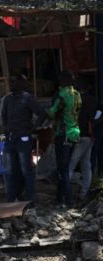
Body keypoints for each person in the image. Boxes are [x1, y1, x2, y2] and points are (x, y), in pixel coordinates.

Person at [0, 75, 48, 205]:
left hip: (23, 138)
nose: (11, 84)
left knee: (26, 169)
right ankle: (11, 199)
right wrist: (6, 129)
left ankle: (30, 199)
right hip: (11, 138)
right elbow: (4, 116)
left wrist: (33, 127)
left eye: (14, 81)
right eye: (10, 81)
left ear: (21, 84)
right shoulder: (7, 99)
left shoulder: (27, 98)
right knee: (10, 170)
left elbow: (42, 113)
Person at [48, 70, 81, 208]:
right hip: (74, 133)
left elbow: (52, 113)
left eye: (60, 79)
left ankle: (69, 201)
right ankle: (59, 199)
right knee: (64, 168)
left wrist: (46, 113)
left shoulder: (61, 95)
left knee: (63, 169)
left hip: (63, 134)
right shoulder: (77, 94)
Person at [68, 79, 96, 204]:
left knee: (71, 165)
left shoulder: (75, 101)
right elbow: (97, 116)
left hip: (79, 136)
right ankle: (84, 193)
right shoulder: (93, 100)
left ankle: (66, 195)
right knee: (86, 165)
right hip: (89, 137)